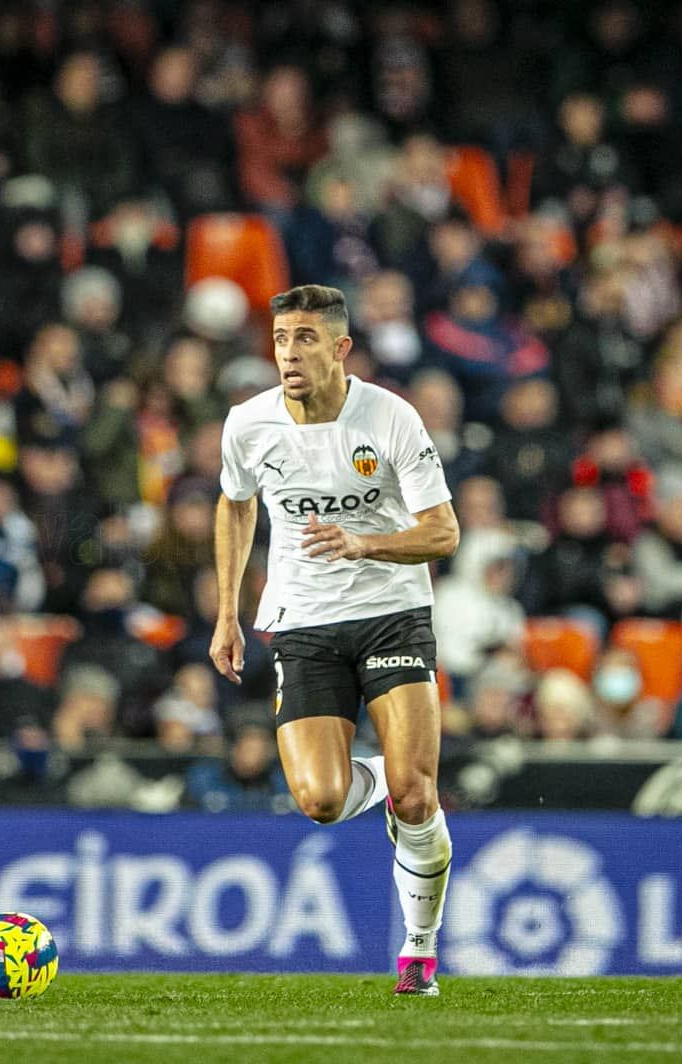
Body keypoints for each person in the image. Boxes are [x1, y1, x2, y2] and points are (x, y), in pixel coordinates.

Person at [211, 284, 459, 996]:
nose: (290, 352)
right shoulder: (248, 424)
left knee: (417, 800)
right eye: (282, 338)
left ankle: (418, 952)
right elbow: (235, 508)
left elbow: (443, 532)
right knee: (319, 801)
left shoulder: (390, 417)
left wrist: (365, 543)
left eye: (307, 339)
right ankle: (394, 778)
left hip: (392, 612)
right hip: (305, 623)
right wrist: (228, 613)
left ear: (342, 348)